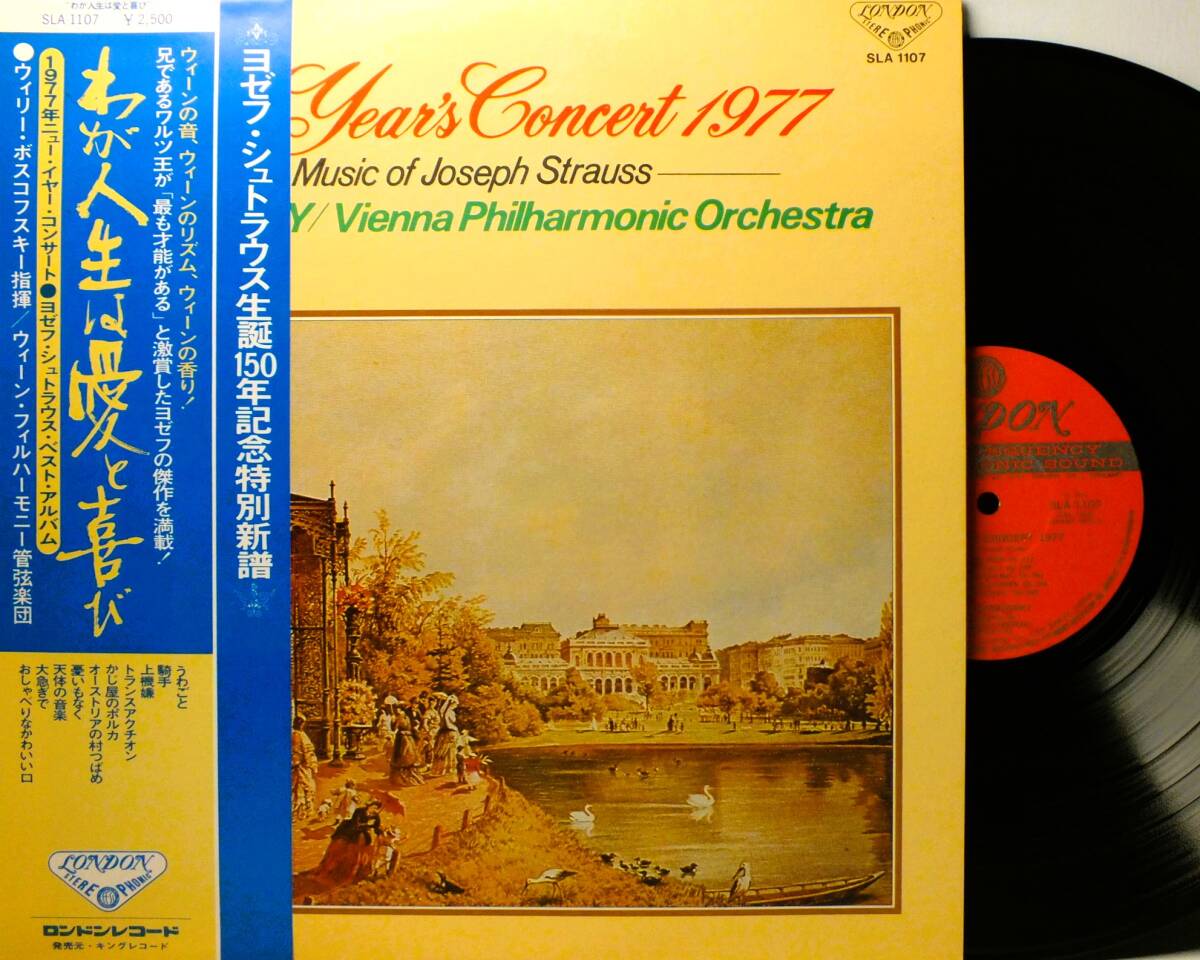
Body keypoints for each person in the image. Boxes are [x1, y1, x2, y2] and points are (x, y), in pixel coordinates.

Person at [312, 800, 383, 886]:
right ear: (370, 805)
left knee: (361, 848)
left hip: (363, 833)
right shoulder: (359, 811)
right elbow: (356, 824)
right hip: (351, 830)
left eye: (376, 809)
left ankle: (351, 874)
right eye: (373, 807)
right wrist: (368, 825)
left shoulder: (376, 816)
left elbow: (376, 827)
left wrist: (379, 833)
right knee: (340, 846)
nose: (374, 810)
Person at [291, 715, 319, 821]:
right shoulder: (298, 735)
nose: (303, 725)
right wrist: (311, 764)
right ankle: (300, 812)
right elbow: (303, 752)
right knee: (303, 788)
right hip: (301, 766)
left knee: (302, 788)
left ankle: (302, 812)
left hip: (301, 765)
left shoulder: (298, 734)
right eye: (302, 723)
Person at [390, 704, 424, 786]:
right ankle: (404, 777)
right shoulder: (403, 717)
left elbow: (395, 728)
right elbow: (395, 729)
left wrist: (393, 722)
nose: (397, 710)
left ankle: (408, 777)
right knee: (405, 756)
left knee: (405, 756)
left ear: (401, 710)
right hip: (404, 738)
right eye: (396, 709)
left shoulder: (401, 717)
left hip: (405, 739)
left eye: (398, 709)